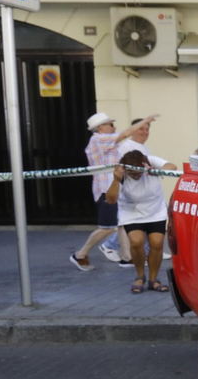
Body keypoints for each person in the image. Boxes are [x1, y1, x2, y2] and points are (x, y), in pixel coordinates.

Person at [69, 111, 154, 272]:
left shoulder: (106, 142)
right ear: (101, 127)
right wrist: (145, 120)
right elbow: (125, 134)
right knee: (107, 227)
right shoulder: (99, 139)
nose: (113, 127)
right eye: (110, 124)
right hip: (106, 191)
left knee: (121, 224)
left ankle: (127, 258)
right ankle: (80, 254)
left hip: (115, 189)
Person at [106, 151, 170, 293]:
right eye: (132, 173)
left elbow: (171, 167)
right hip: (131, 211)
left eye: (137, 173)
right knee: (136, 242)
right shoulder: (121, 172)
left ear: (142, 165)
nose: (135, 176)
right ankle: (140, 276)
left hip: (155, 210)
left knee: (157, 243)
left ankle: (154, 279)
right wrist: (116, 180)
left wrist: (158, 170)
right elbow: (110, 200)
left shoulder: (150, 160)